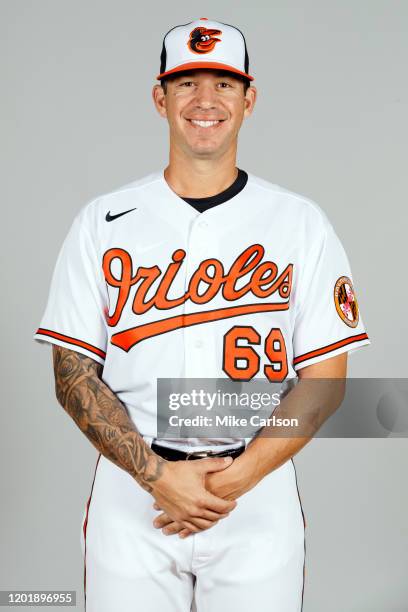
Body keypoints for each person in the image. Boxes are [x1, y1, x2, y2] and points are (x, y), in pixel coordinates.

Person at [33, 17, 370, 612]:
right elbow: (72, 375)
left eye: (224, 83)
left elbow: (325, 382)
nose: (206, 100)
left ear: (249, 98)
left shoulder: (300, 222)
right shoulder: (101, 220)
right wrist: (157, 478)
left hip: (256, 493)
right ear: (160, 98)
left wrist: (239, 477)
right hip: (133, 490)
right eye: (187, 83)